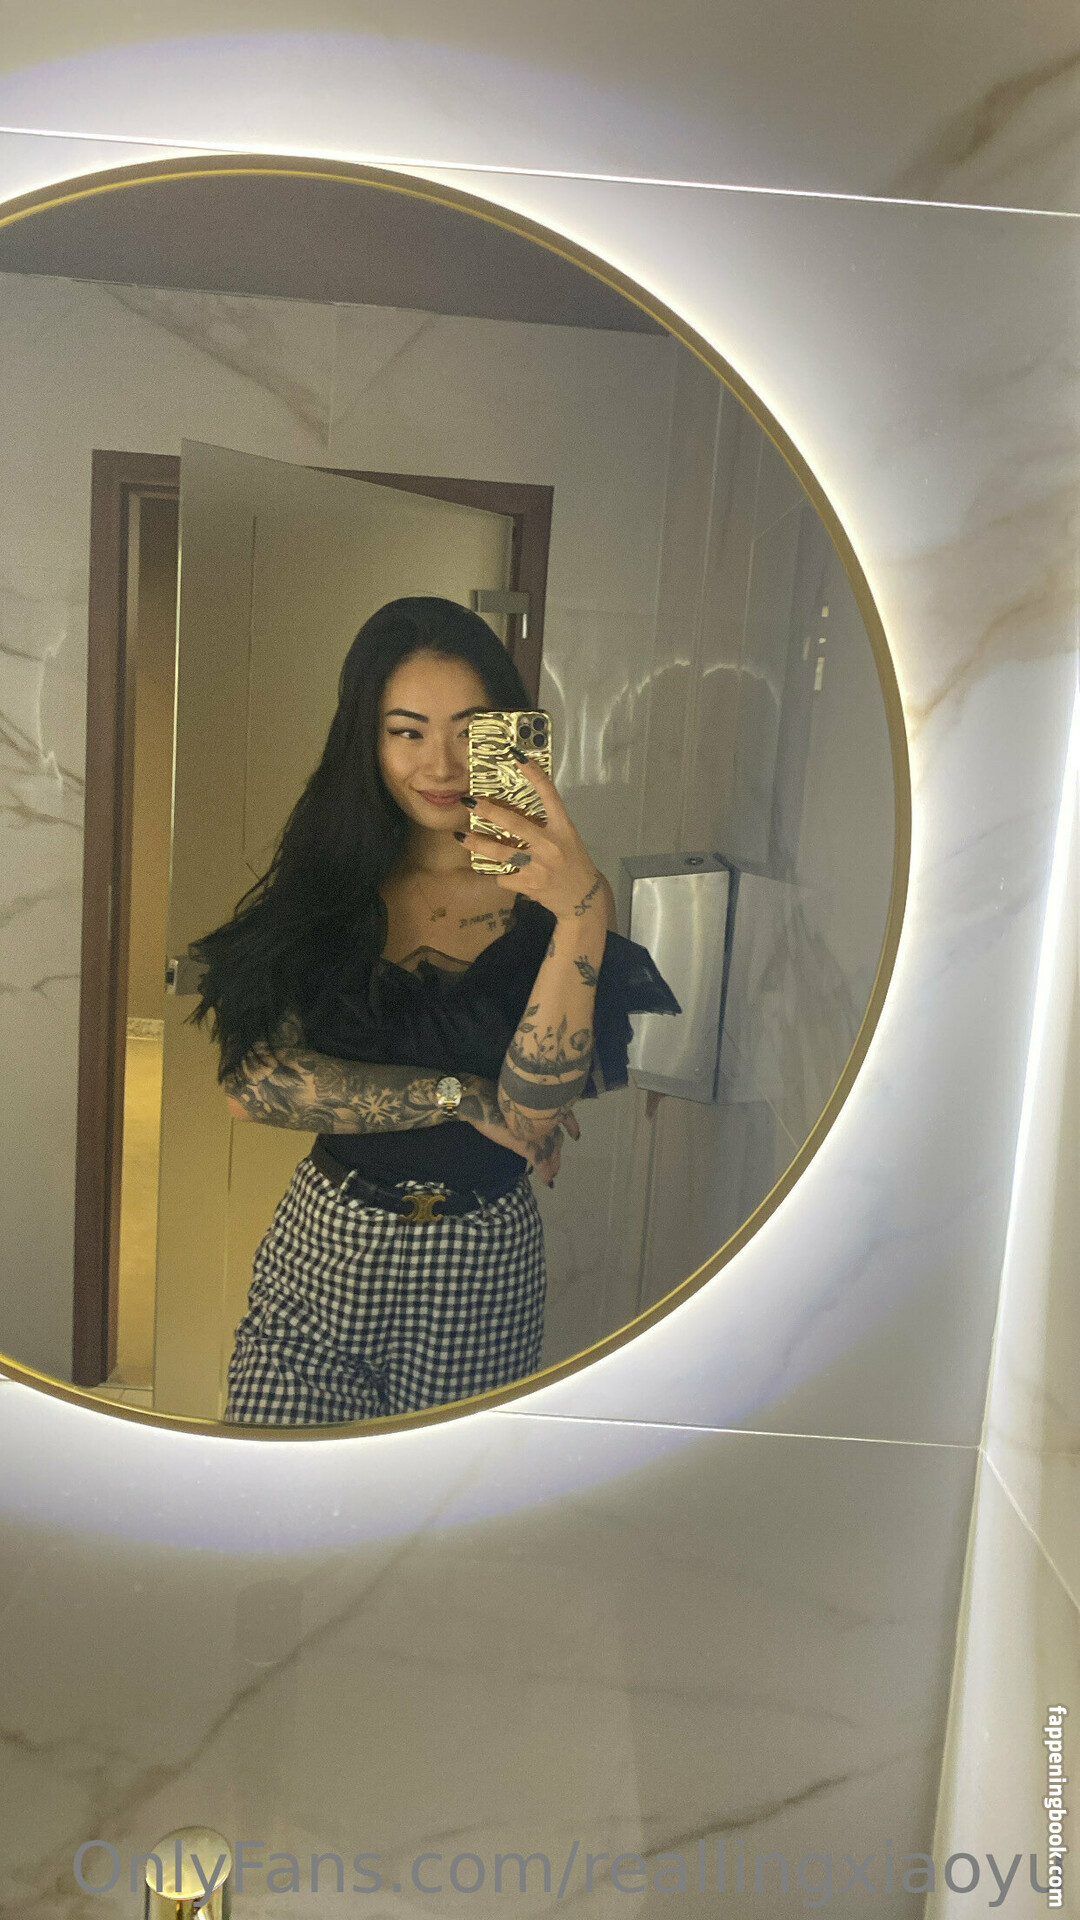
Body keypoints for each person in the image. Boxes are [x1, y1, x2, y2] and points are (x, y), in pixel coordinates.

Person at [191, 596, 680, 1426]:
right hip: (326, 1244)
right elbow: (254, 1084)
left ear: (509, 739)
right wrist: (458, 1096)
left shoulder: (557, 904)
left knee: (436, 1503)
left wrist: (581, 909)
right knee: (276, 1489)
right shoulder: (328, 886)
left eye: (470, 731)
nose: (443, 764)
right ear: (367, 740)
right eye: (407, 731)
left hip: (481, 1260)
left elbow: (533, 1114)